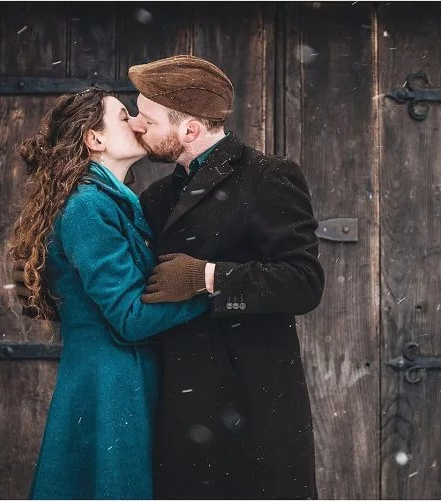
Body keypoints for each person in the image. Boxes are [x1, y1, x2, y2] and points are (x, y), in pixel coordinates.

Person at [127, 55, 325, 499]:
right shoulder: (156, 197)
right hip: (178, 400)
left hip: (253, 400)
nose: (137, 125)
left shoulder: (266, 177)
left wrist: (209, 277)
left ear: (190, 129)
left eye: (147, 117)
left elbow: (304, 281)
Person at [7, 88, 209, 499]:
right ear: (94, 139)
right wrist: (213, 289)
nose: (137, 123)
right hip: (110, 384)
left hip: (122, 377)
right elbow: (130, 318)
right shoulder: (87, 207)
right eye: (123, 116)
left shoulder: (116, 201)